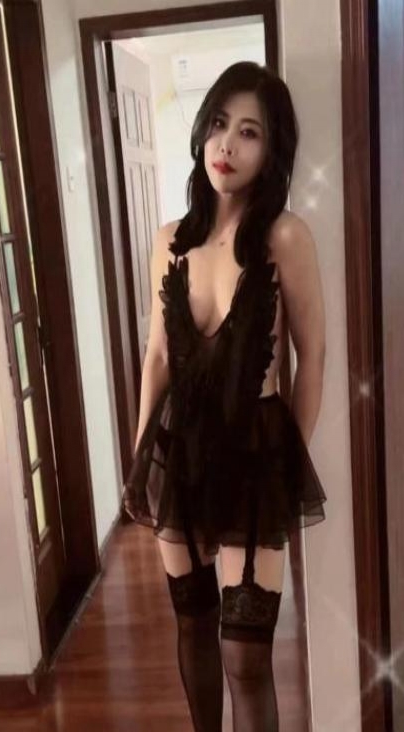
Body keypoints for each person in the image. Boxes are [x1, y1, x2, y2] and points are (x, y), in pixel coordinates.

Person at [123, 61, 327, 732]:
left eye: (249, 132)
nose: (227, 145)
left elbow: (312, 355)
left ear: (272, 151)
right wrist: (140, 454)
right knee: (192, 626)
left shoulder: (284, 237)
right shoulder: (169, 241)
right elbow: (158, 355)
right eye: (218, 124)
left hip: (254, 453)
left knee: (247, 658)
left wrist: (287, 462)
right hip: (177, 449)